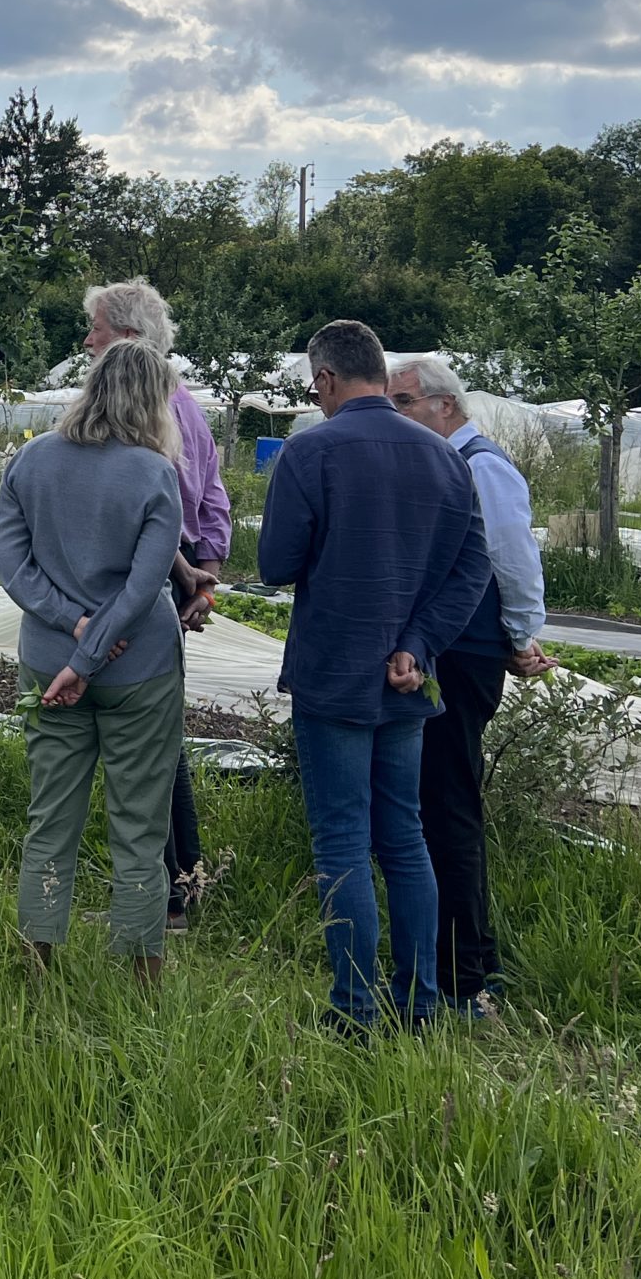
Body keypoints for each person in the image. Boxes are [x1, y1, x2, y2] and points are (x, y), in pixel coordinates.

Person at [257, 320, 490, 1036]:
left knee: (341, 841)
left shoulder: (311, 451)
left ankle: (354, 1007)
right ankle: (419, 1001)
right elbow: (471, 569)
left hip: (334, 673)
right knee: (405, 837)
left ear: (326, 379)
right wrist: (419, 643)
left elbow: (275, 565)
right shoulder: (445, 456)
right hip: (408, 679)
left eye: (312, 386)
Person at [0, 339, 188, 977]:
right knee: (140, 824)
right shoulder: (154, 471)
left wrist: (74, 632)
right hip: (141, 668)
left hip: (49, 663)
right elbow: (146, 582)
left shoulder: (30, 461)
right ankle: (140, 978)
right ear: (153, 400)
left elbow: (13, 567)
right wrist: (97, 646)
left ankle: (35, 959)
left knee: (50, 816)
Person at [388, 352, 557, 1016]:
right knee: (433, 800)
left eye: (405, 402)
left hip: (465, 651)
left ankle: (467, 972)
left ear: (444, 406)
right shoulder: (437, 462)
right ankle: (455, 958)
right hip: (447, 646)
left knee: (450, 802)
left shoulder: (482, 466)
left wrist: (518, 635)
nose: (396, 414)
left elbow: (511, 556)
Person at [78, 279, 231, 931]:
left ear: (130, 341)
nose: (87, 343)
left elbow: (150, 515)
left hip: (148, 579)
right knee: (162, 744)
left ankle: (161, 900)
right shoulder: (190, 408)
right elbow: (214, 498)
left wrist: (182, 578)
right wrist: (208, 574)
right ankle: (184, 884)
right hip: (180, 573)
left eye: (97, 331)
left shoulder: (144, 413)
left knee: (138, 743)